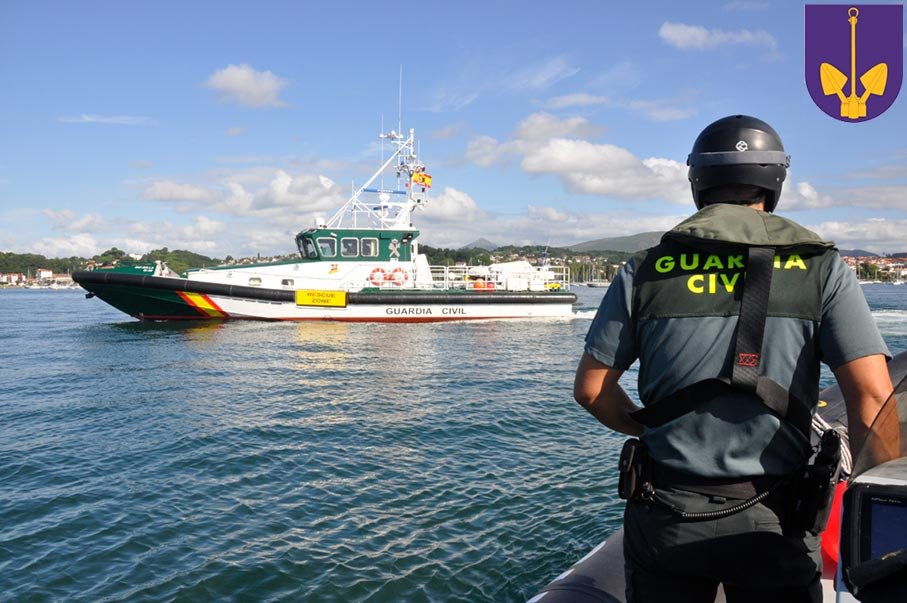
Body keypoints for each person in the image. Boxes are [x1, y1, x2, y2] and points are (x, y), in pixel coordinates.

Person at [574, 115, 892, 602]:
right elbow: (871, 396)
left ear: (698, 181)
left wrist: (651, 428)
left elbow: (591, 389)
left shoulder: (646, 269)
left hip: (665, 513)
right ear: (775, 180)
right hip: (778, 518)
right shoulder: (821, 267)